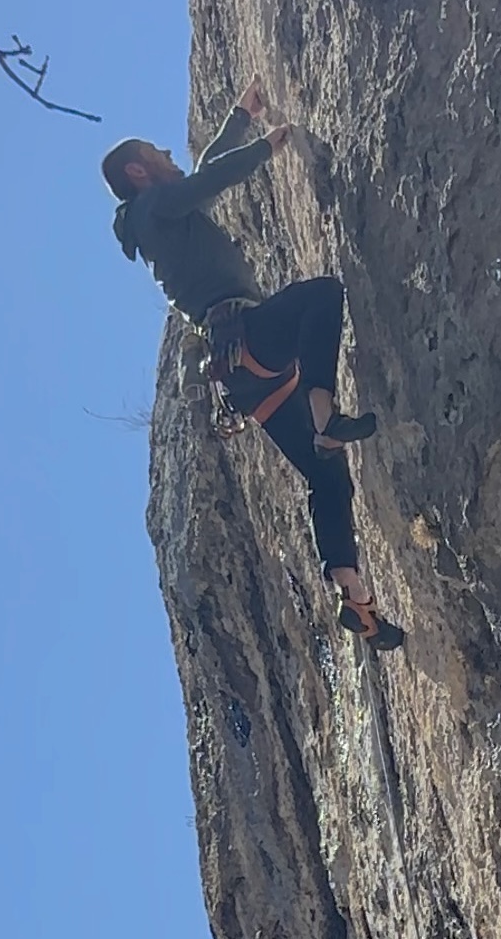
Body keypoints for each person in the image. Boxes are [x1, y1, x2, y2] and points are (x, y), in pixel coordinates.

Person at [103, 85, 404, 649]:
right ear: (139, 172)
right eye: (159, 153)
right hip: (244, 338)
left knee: (326, 471)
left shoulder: (159, 217)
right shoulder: (151, 208)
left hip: (246, 376)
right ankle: (324, 412)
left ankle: (355, 598)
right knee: (322, 295)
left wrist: (241, 117)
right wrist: (267, 146)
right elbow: (207, 179)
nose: (170, 156)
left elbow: (203, 172)